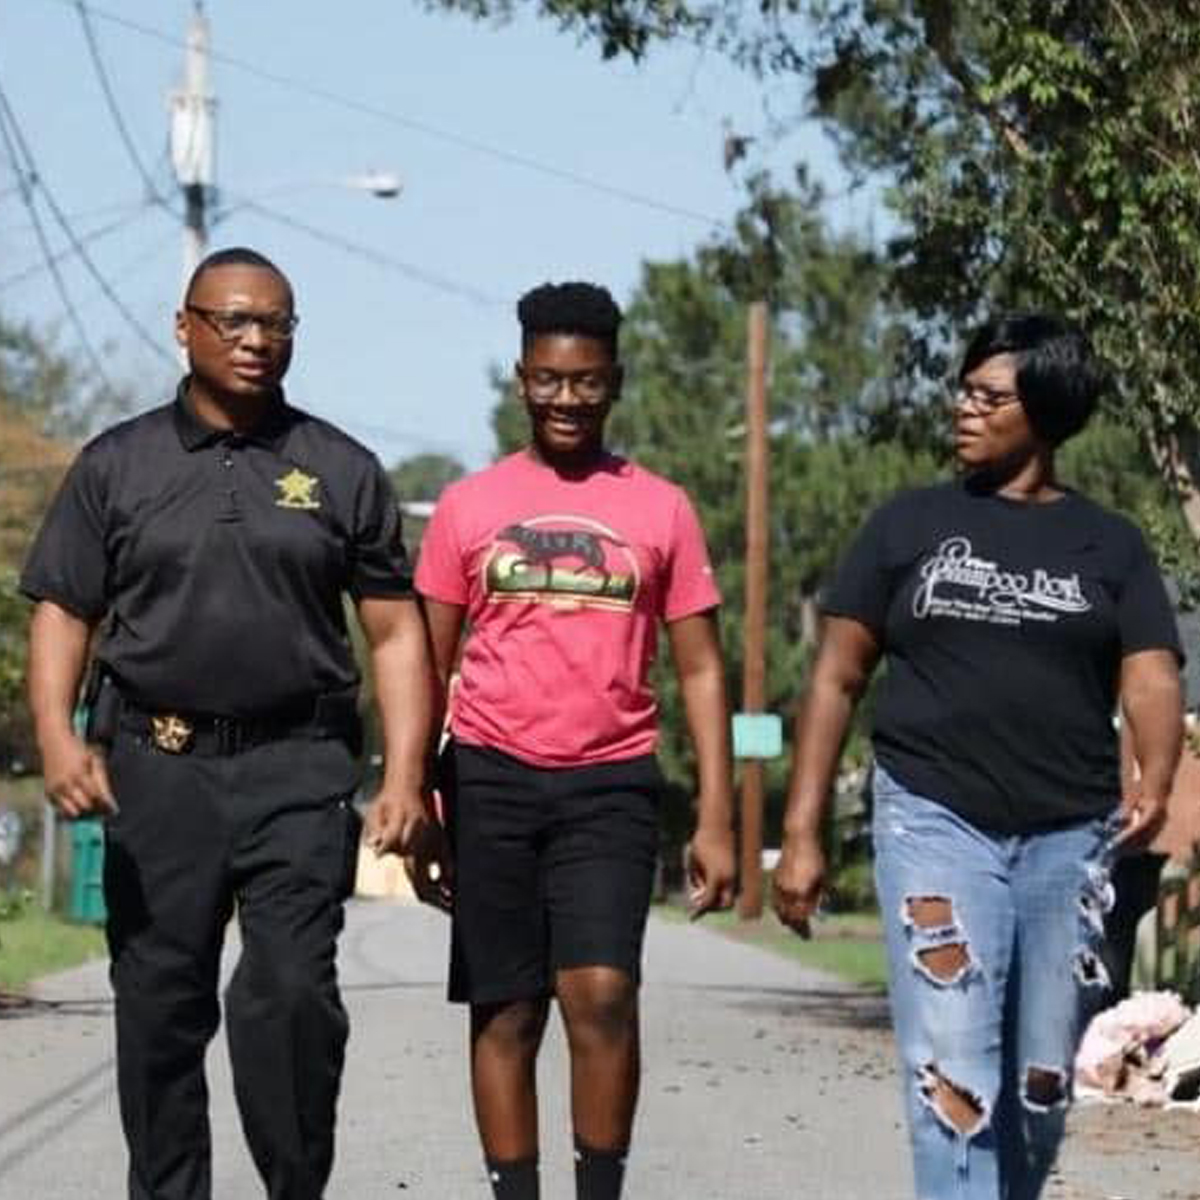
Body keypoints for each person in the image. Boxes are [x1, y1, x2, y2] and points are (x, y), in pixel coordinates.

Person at [22, 247, 436, 1200]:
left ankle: (296, 1184)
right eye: (236, 321)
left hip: (298, 768)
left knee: (290, 993)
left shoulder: (340, 469)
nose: (257, 340)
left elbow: (395, 634)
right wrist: (57, 733)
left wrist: (406, 775)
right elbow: (63, 611)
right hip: (155, 766)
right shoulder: (116, 465)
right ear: (186, 327)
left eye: (277, 324)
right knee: (161, 1006)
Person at [772, 313, 1183, 1200]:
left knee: (1039, 1081)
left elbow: (1150, 671)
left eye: (988, 397)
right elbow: (836, 679)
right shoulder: (908, 526)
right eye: (962, 390)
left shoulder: (1108, 545)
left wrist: (1156, 767)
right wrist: (801, 832)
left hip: (1071, 838)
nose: (963, 408)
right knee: (954, 1067)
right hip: (933, 818)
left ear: (1044, 412)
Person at [413, 281, 736, 1200]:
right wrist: (419, 797)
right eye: (550, 381)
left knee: (601, 995)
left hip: (612, 781)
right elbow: (423, 669)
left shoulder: (660, 508)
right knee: (507, 1008)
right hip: (489, 778)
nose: (567, 400)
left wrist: (713, 816)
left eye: (587, 383)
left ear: (615, 382)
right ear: (522, 380)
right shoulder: (469, 507)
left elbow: (702, 671)